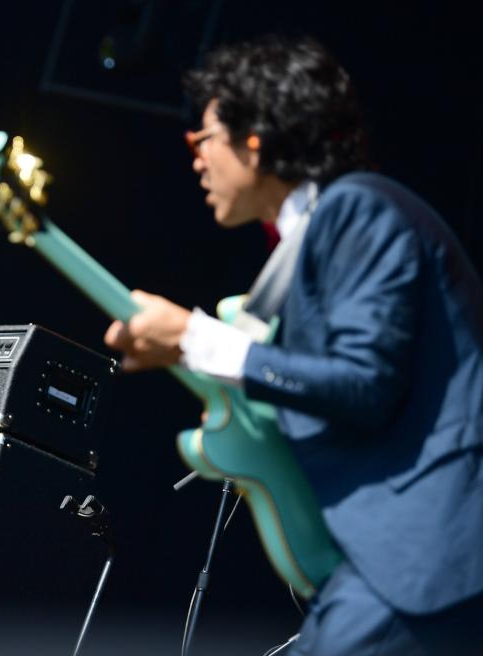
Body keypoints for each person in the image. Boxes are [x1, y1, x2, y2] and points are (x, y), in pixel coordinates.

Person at [104, 36, 483, 655]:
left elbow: (363, 385)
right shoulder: (307, 243)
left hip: (433, 555)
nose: (196, 161)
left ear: (255, 138)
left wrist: (195, 338)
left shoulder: (356, 208)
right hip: (384, 565)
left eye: (202, 140)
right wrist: (191, 355)